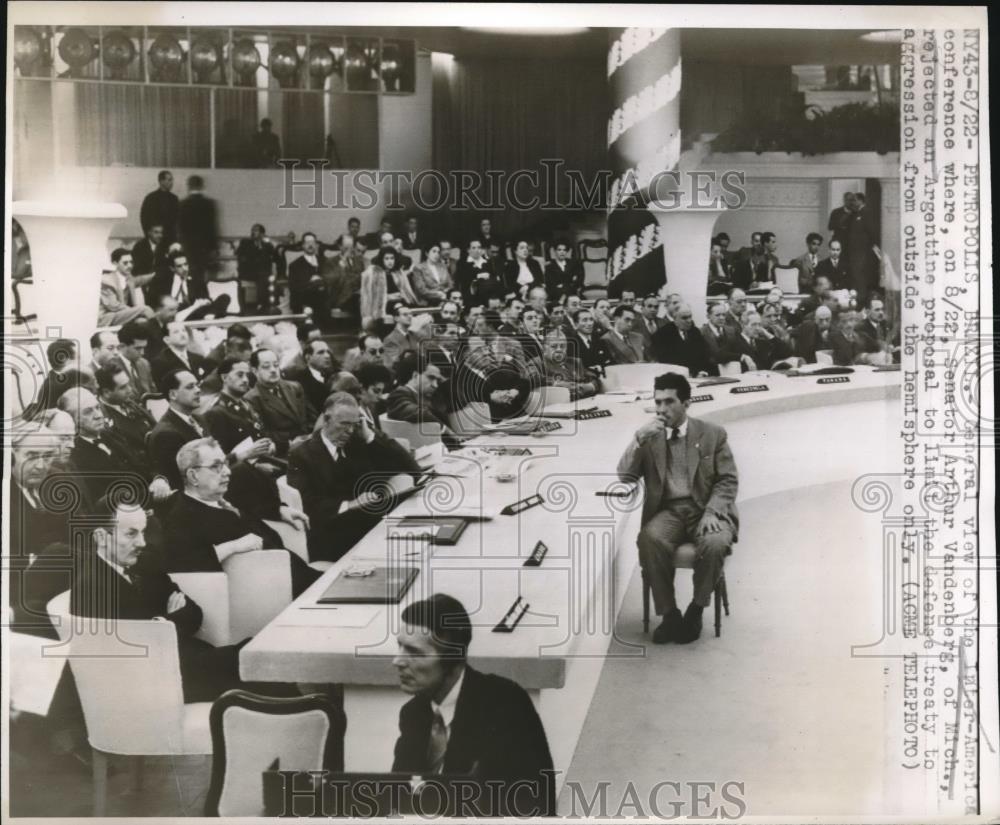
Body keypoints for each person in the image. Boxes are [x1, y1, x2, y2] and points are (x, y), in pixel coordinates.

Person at [391, 594, 554, 816]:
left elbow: (530, 806)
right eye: (400, 647)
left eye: (414, 652)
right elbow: (398, 795)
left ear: (453, 660)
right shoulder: (413, 713)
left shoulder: (506, 707)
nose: (397, 661)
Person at [69, 499, 245, 703]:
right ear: (101, 537)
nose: (142, 543)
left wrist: (158, 625)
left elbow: (194, 613)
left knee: (255, 659)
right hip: (162, 686)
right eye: (131, 533)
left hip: (190, 663)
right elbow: (134, 655)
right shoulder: (91, 586)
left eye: (143, 532)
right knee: (261, 670)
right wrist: (167, 621)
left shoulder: (145, 564)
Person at [617, 372, 738, 644]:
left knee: (716, 542)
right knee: (649, 539)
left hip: (705, 508)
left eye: (669, 402)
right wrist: (638, 439)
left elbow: (727, 480)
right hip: (668, 511)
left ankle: (696, 610)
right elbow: (624, 478)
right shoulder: (649, 437)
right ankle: (670, 615)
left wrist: (712, 512)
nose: (661, 409)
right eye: (658, 402)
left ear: (686, 403)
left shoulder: (712, 434)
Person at [162, 438, 319, 595]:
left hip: (302, 577)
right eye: (216, 466)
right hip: (282, 596)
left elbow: (254, 509)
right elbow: (182, 564)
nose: (227, 472)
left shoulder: (222, 500)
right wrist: (232, 547)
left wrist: (279, 510)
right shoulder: (182, 516)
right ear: (193, 476)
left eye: (225, 464)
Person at [287, 392, 420, 561]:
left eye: (354, 424)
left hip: (372, 530)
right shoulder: (302, 454)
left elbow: (413, 470)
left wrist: (370, 435)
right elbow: (305, 504)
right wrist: (349, 505)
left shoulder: (357, 444)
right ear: (326, 420)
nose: (349, 431)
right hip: (333, 539)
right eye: (343, 424)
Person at [386, 350, 464, 447]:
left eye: (437, 380)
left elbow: (460, 401)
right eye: (431, 378)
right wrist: (448, 430)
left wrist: (445, 383)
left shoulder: (426, 395)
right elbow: (418, 412)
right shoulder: (398, 394)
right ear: (415, 376)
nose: (435, 385)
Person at [245, 348, 312, 456]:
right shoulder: (251, 399)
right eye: (266, 367)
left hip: (309, 443)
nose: (273, 370)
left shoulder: (295, 387)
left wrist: (309, 436)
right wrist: (291, 442)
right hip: (283, 452)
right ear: (255, 371)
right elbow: (263, 434)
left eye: (276, 365)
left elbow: (311, 417)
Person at [95, 361, 157, 459]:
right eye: (123, 387)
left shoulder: (128, 401)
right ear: (106, 392)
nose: (130, 390)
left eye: (128, 384)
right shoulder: (102, 419)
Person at [526, 328, 599, 401]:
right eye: (554, 346)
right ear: (544, 348)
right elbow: (531, 377)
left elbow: (594, 377)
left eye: (562, 346)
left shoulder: (575, 362)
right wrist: (557, 383)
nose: (559, 349)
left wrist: (589, 386)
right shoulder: (537, 362)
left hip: (583, 402)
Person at [177, 175, 220, 300]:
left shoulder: (182, 204)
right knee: (202, 276)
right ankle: (204, 299)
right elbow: (212, 228)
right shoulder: (209, 204)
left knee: (190, 276)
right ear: (202, 186)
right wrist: (214, 249)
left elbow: (180, 229)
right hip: (204, 249)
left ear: (189, 186)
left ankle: (193, 300)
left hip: (188, 248)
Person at [650, 304, 716, 376]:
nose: (689, 320)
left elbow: (704, 355)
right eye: (684, 318)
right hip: (675, 376)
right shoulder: (662, 335)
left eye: (690, 316)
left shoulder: (695, 332)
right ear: (674, 318)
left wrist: (702, 371)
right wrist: (693, 373)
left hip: (698, 375)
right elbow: (667, 361)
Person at [99, 249, 154, 326]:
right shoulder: (106, 280)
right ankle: (159, 331)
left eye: (131, 262)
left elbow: (141, 279)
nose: (130, 266)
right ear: (115, 263)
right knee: (145, 309)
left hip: (119, 315)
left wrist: (157, 273)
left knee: (142, 320)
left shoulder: (129, 279)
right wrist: (136, 311)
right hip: (107, 317)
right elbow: (113, 305)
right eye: (125, 263)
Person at [150, 320, 211, 386]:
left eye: (184, 330)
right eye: (176, 332)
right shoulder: (160, 362)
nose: (182, 334)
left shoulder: (198, 358)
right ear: (167, 340)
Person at [285, 338, 337, 414]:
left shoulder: (334, 376)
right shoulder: (298, 380)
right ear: (308, 357)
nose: (327, 356)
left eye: (328, 352)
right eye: (321, 352)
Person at [236, 223, 276, 314]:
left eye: (256, 230)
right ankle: (262, 304)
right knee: (264, 276)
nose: (253, 232)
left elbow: (273, 255)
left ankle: (266, 304)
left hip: (263, 272)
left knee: (267, 276)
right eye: (252, 230)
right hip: (249, 271)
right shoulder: (245, 242)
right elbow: (240, 255)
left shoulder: (267, 244)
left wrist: (265, 243)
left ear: (262, 233)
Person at [288, 231, 329, 321]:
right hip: (304, 302)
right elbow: (294, 288)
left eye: (312, 243)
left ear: (316, 245)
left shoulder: (325, 261)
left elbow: (330, 279)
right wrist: (311, 282)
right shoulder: (295, 265)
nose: (310, 245)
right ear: (302, 245)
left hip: (323, 301)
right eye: (307, 243)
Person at [117, 321, 157, 396]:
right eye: (138, 348)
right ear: (122, 346)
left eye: (144, 348)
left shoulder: (144, 363)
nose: (142, 353)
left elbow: (153, 392)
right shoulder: (112, 367)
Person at [139, 170, 179, 245]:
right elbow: (144, 218)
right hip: (155, 239)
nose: (172, 183)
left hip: (171, 239)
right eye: (169, 180)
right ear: (161, 181)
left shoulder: (174, 199)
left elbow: (177, 219)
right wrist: (149, 236)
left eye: (171, 180)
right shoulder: (151, 198)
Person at [360, 247, 395, 329]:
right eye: (386, 259)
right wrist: (389, 297)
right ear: (381, 259)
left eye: (392, 258)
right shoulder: (378, 274)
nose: (390, 261)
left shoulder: (394, 273)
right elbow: (377, 296)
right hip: (385, 305)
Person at [701, 303, 742, 369]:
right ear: (708, 316)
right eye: (717, 315)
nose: (722, 318)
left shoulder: (732, 330)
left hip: (731, 370)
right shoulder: (701, 333)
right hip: (711, 371)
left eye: (724, 315)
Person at [571, 308, 609, 374]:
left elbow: (608, 360)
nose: (589, 323)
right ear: (576, 324)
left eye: (591, 319)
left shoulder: (600, 339)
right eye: (584, 320)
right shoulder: (572, 343)